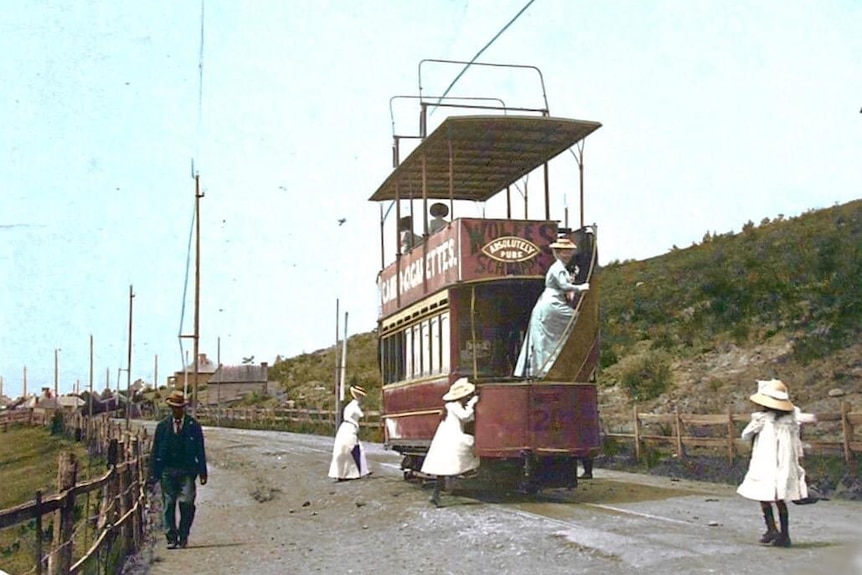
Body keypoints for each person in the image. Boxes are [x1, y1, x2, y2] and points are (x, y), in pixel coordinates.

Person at [737, 379, 814, 548]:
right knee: (780, 498)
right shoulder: (792, 421)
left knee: (764, 495)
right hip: (785, 463)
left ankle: (772, 528)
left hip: (766, 461)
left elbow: (745, 435)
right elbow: (797, 442)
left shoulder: (762, 420)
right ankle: (784, 535)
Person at [513, 238, 590, 378]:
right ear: (558, 253)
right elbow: (564, 286)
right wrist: (581, 287)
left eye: (569, 252)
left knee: (547, 337)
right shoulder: (558, 268)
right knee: (575, 320)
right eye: (564, 252)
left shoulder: (560, 268)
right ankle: (546, 368)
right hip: (552, 303)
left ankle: (548, 367)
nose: (567, 255)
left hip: (552, 301)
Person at [149, 390, 208, 549]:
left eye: (180, 407)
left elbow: (200, 450)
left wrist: (203, 472)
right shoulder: (162, 427)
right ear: (170, 408)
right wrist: (153, 474)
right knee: (168, 504)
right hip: (167, 471)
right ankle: (171, 538)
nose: (177, 410)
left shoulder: (193, 425)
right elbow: (155, 451)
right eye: (174, 407)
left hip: (187, 471)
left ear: (184, 408)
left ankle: (183, 534)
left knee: (187, 502)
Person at [421, 378, 480, 507]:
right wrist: (472, 403)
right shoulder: (454, 406)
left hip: (447, 436)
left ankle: (436, 494)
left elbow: (467, 417)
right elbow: (465, 417)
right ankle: (467, 474)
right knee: (468, 448)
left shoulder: (451, 406)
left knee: (444, 467)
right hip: (452, 436)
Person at [328, 385, 372, 481]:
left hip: (346, 429)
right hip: (349, 429)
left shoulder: (351, 406)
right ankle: (352, 473)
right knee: (352, 450)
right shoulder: (354, 406)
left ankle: (358, 472)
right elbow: (360, 415)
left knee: (350, 450)